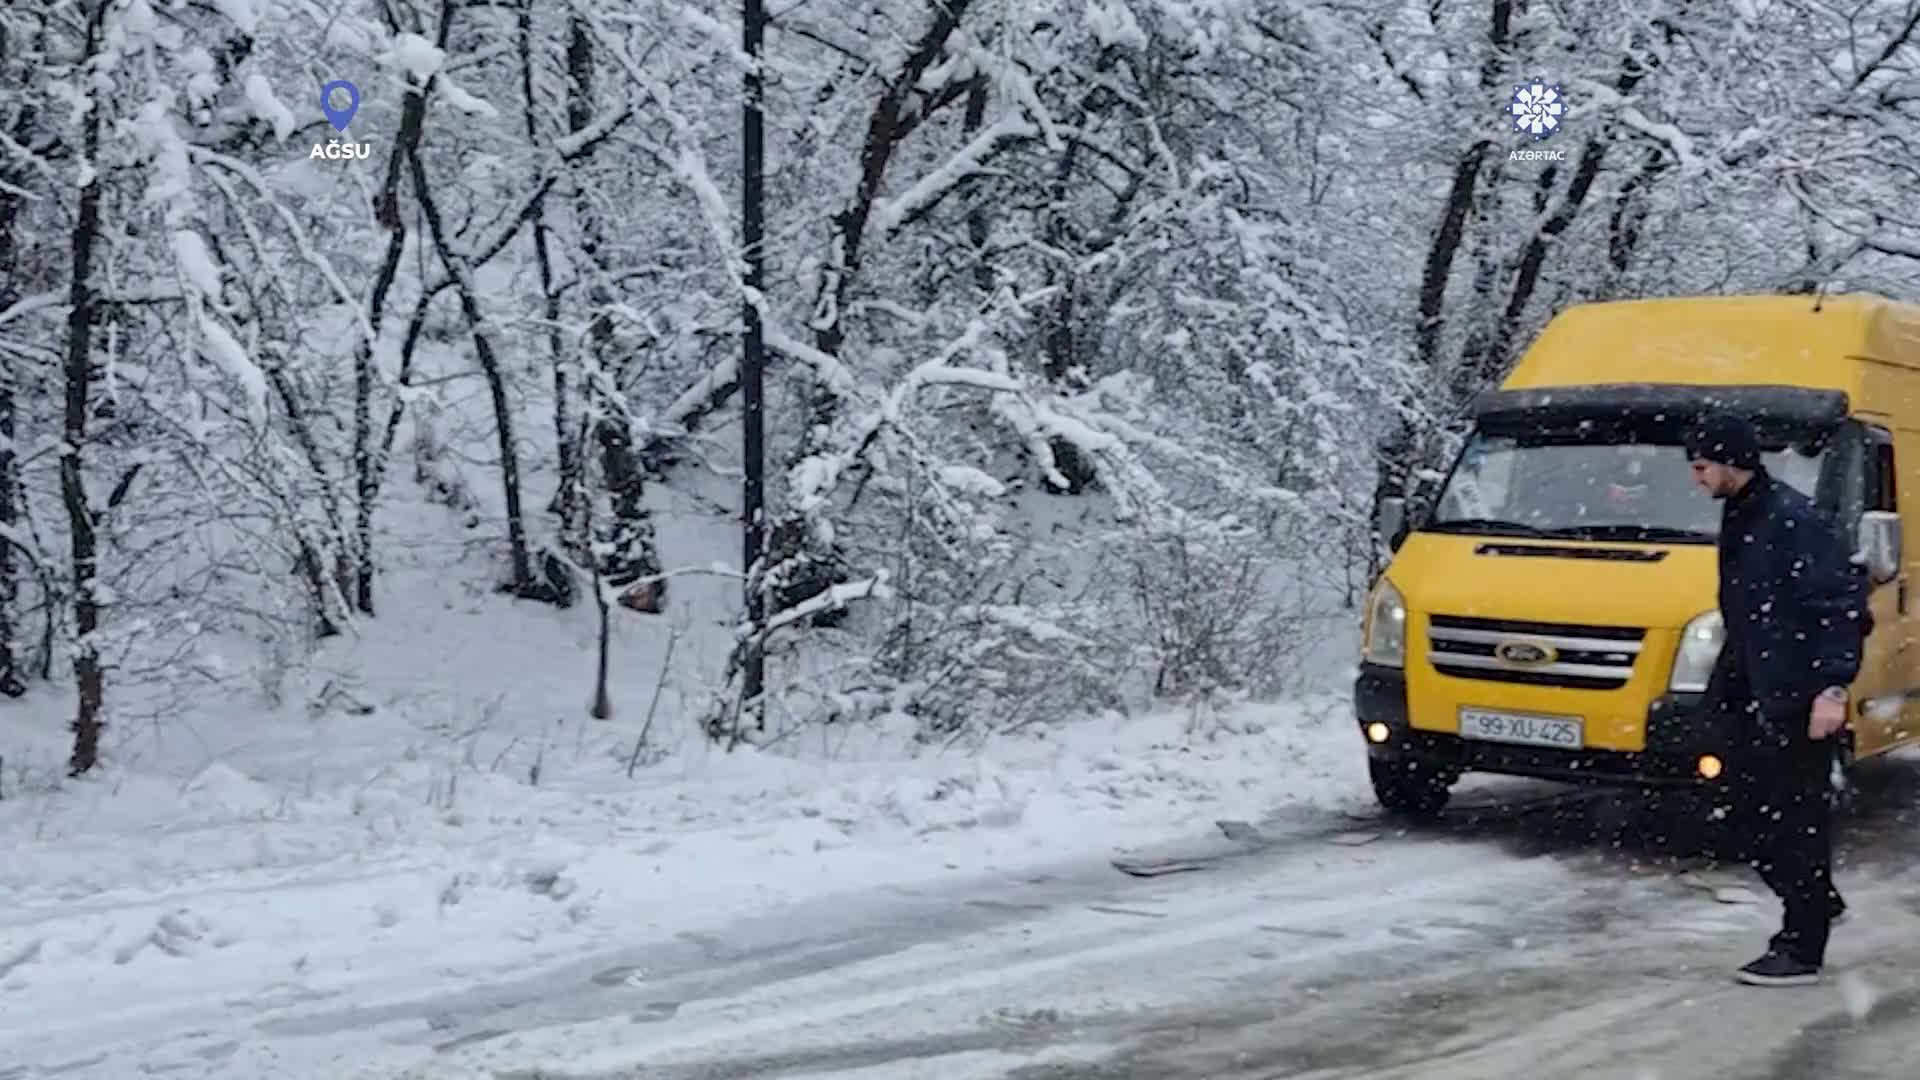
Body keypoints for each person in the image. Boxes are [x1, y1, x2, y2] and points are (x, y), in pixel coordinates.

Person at [1685, 410, 1872, 987]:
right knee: (1741, 808)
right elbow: (1750, 612)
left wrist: (1832, 688)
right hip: (1749, 686)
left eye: (1701, 466)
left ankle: (1802, 943)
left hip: (1795, 694)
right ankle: (1815, 898)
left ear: (1732, 462)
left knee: (1795, 817)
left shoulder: (1792, 521)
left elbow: (1841, 608)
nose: (1696, 478)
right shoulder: (1742, 514)